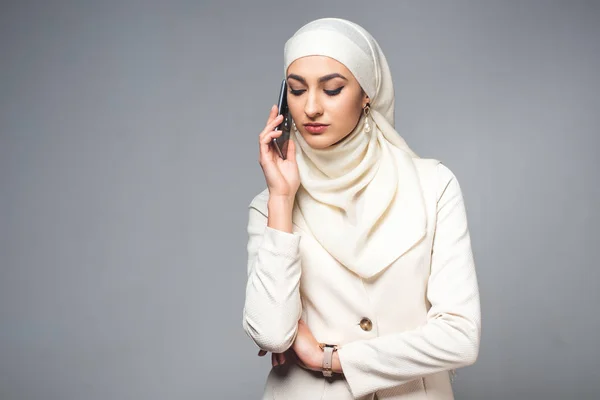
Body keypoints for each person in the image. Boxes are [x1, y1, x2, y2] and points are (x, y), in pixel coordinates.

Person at [242, 17, 481, 400]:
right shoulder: (270, 207)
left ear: (367, 92)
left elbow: (460, 338)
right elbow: (271, 333)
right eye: (297, 90)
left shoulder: (433, 186)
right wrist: (282, 200)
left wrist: (330, 359)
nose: (312, 107)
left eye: (333, 89)